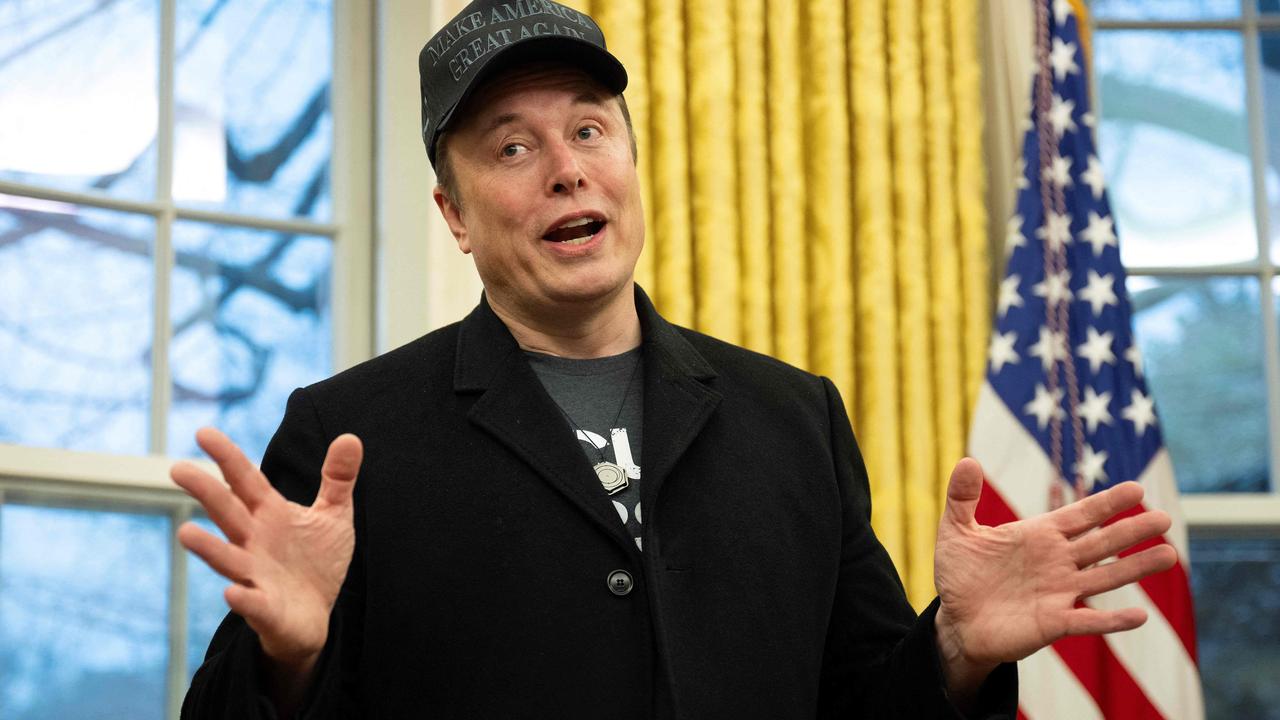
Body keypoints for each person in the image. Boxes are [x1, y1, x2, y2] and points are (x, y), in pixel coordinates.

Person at [172, 1, 1178, 717]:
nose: (567, 165)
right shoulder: (351, 435)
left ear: (629, 164)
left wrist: (952, 651)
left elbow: (864, 702)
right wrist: (286, 665)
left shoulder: (796, 420)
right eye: (511, 149)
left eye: (588, 128)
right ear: (453, 215)